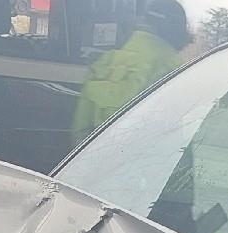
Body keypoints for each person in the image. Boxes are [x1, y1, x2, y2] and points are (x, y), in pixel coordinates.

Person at [70, 0, 189, 145]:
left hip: (99, 154)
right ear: (178, 31)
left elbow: (80, 129)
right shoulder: (173, 67)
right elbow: (173, 137)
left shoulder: (106, 61)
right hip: (143, 155)